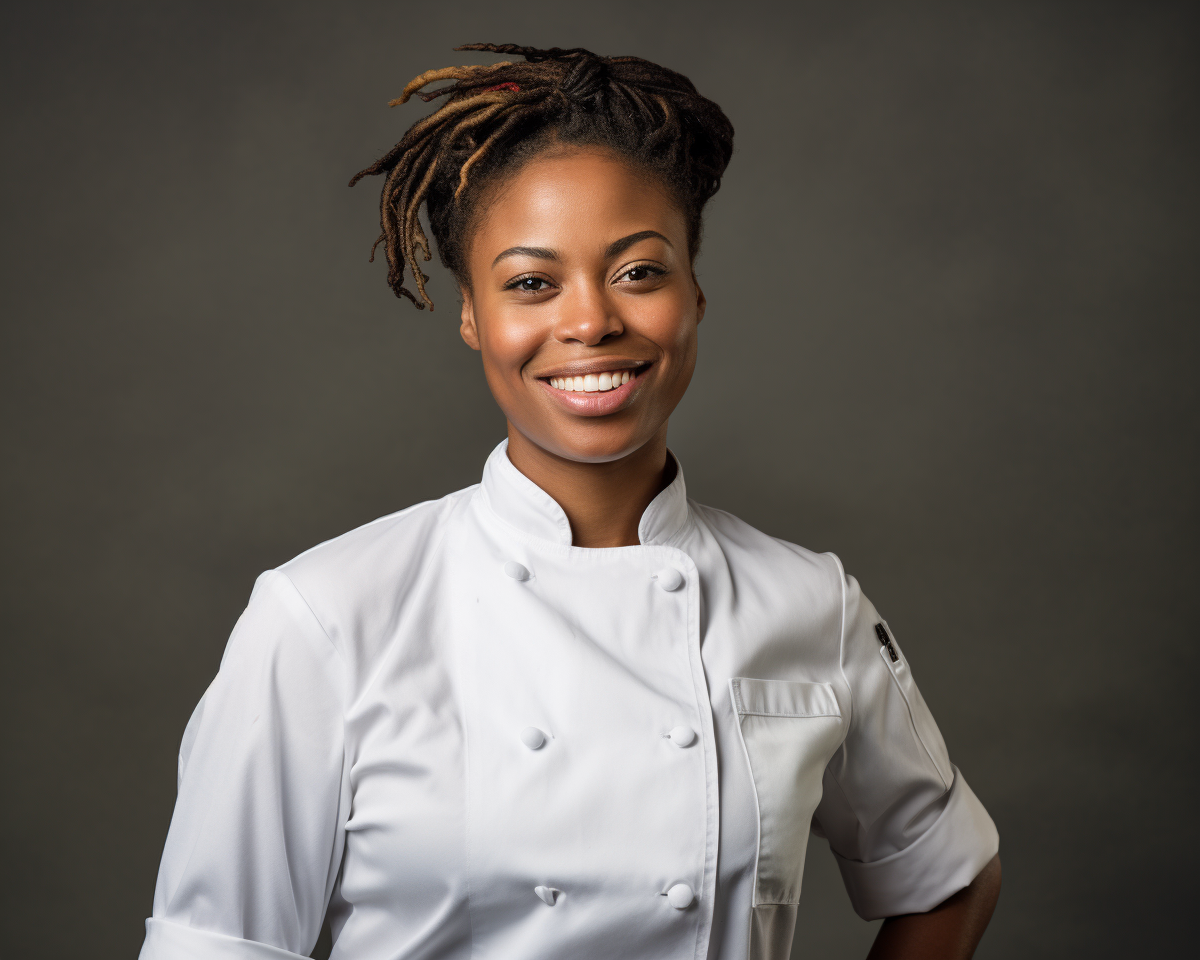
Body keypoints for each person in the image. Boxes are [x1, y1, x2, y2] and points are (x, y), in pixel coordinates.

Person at [139, 44, 1000, 960]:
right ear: (472, 313)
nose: (590, 322)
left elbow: (948, 874)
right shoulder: (326, 618)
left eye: (638, 272)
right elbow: (215, 946)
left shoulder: (809, 604)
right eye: (530, 284)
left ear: (694, 293)